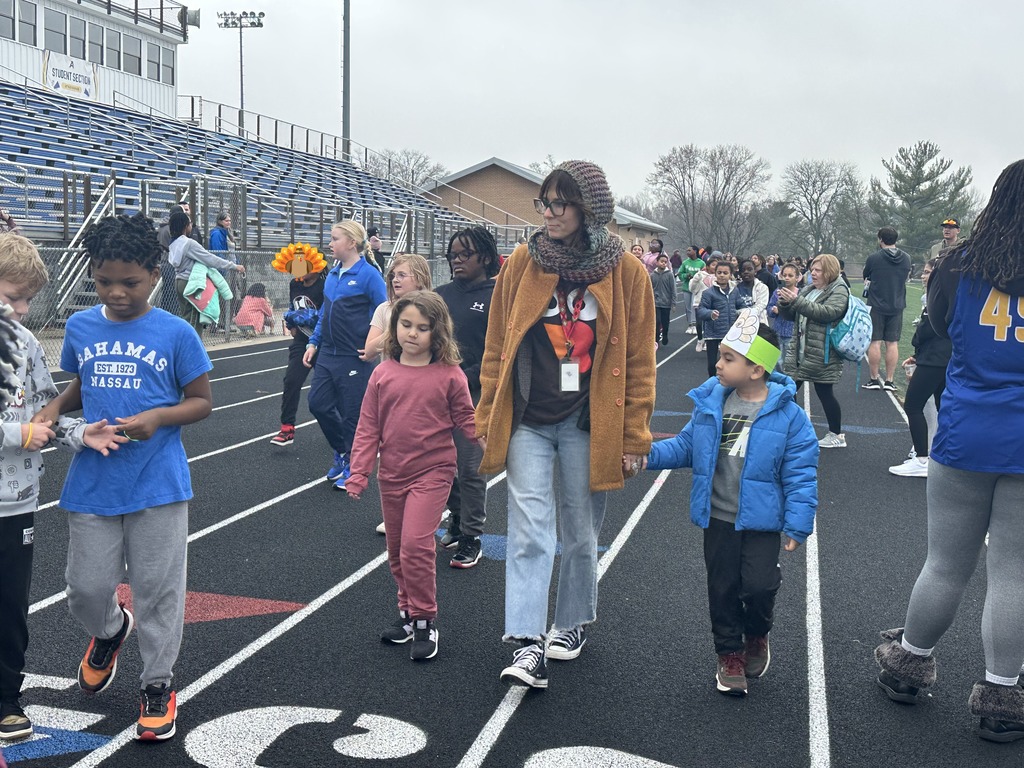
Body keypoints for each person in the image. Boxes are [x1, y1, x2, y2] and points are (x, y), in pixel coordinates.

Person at [34, 212, 215, 742]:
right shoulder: (81, 326)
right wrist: (54, 409)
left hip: (158, 484)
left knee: (159, 593)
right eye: (104, 280)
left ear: (154, 273)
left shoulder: (176, 332)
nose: (115, 292)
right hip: (93, 480)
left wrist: (158, 418)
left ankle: (157, 684)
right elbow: (80, 386)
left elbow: (202, 402)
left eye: (129, 282)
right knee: (85, 590)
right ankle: (110, 631)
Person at [476, 160, 655, 689]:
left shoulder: (626, 273)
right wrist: (487, 414)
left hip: (588, 423)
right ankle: (527, 642)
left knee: (580, 533)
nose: (550, 214)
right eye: (545, 203)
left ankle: (572, 621)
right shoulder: (521, 265)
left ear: (589, 209)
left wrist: (634, 434)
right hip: (528, 420)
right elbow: (495, 348)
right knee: (529, 530)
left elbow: (641, 361)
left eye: (561, 203)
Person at [872, 159, 1024, 743]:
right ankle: (1003, 696)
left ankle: (910, 663)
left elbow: (938, 325)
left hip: (966, 433)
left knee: (946, 563)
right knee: (1014, 573)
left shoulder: (960, 267)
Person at [644, 314, 818, 696]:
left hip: (762, 522)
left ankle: (757, 632)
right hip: (719, 519)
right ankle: (729, 655)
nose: (718, 364)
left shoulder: (791, 418)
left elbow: (801, 475)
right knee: (722, 588)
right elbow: (685, 447)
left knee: (757, 586)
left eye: (728, 358)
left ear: (757, 368)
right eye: (719, 356)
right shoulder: (712, 403)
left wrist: (798, 523)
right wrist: (645, 455)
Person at [0, 235, 123, 744]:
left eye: (29, 298)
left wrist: (79, 432)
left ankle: (7, 699)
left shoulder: (26, 344)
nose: (24, 309)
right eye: (16, 295)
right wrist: (16, 434)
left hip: (15, 502)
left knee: (9, 605)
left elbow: (45, 410)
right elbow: (21, 428)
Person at [345, 291, 476, 662]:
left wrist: (492, 444)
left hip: (434, 472)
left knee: (417, 545)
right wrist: (359, 472)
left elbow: (467, 418)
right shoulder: (383, 373)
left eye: (423, 328)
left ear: (438, 333)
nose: (413, 334)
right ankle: (406, 612)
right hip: (393, 473)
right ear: (394, 325)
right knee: (397, 552)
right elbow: (368, 426)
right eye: (406, 325)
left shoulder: (450, 375)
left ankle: (424, 620)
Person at [302, 221, 388, 491]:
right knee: (318, 403)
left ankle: (354, 463)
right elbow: (325, 313)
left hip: (355, 356)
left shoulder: (369, 275)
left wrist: (375, 345)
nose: (330, 244)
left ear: (351, 242)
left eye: (335, 238)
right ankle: (342, 451)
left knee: (352, 414)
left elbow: (385, 311)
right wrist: (314, 342)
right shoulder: (334, 273)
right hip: (328, 353)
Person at [435, 227, 500, 569]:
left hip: (475, 392)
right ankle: (457, 516)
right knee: (438, 462)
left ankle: (472, 535)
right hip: (436, 391)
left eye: (464, 255)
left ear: (485, 257)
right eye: (452, 255)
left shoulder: (497, 295)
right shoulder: (440, 295)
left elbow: (498, 350)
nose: (457, 260)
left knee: (471, 467)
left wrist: (467, 376)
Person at [776, 253, 850, 448]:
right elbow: (792, 316)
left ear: (830, 271)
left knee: (824, 392)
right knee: (789, 389)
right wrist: (785, 302)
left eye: (818, 270)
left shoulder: (839, 290)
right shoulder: (809, 289)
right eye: (812, 270)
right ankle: (789, 430)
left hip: (822, 351)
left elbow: (828, 313)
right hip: (802, 350)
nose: (813, 273)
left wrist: (796, 301)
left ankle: (837, 434)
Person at [887, 257, 950, 478]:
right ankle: (941, 454)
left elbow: (930, 330)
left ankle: (922, 458)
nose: (922, 276)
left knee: (913, 405)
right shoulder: (944, 295)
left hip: (935, 359)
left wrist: (919, 348)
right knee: (944, 408)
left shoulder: (939, 297)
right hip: (939, 357)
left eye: (926, 272)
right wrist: (917, 355)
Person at [270, 244, 328, 447]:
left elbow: (324, 315)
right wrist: (291, 321)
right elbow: (293, 306)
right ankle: (287, 428)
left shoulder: (325, 286)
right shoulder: (294, 284)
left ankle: (347, 427)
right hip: (302, 341)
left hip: (325, 343)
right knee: (291, 381)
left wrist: (308, 317)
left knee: (330, 390)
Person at [168, 211, 245, 336]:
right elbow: (210, 258)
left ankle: (184, 347)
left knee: (186, 318)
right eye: (189, 224)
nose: (191, 226)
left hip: (179, 282)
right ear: (184, 225)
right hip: (191, 283)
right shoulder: (189, 243)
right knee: (195, 320)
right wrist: (233, 266)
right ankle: (193, 349)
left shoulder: (173, 243)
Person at [862, 227, 912, 391]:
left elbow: (866, 275)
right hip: (897, 304)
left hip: (876, 303)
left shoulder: (874, 258)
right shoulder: (906, 258)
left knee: (875, 342)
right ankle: (889, 381)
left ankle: (874, 378)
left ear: (880, 239)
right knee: (892, 343)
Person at [361, 253, 433, 362]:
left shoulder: (433, 309)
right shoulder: (384, 309)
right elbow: (369, 350)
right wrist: (395, 330)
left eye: (401, 275)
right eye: (393, 276)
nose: (395, 280)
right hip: (392, 375)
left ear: (419, 279)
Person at [696, 261, 745, 378]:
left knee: (730, 361)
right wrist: (710, 313)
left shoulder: (735, 291)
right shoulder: (708, 293)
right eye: (719, 272)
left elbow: (740, 305)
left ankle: (727, 383)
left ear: (730, 275)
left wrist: (745, 311)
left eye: (725, 273)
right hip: (713, 332)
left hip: (730, 333)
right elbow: (701, 309)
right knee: (713, 363)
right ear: (715, 274)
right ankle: (712, 382)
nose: (722, 275)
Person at [766, 262, 799, 366]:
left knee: (790, 361)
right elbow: (769, 308)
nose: (787, 278)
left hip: (792, 333)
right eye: (784, 275)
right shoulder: (777, 292)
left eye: (790, 275)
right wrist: (773, 310)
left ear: (797, 278)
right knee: (777, 361)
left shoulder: (800, 294)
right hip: (778, 331)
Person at [689, 257, 718, 352]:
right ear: (708, 267)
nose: (715, 267)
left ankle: (708, 341)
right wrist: (695, 279)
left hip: (712, 304)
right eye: (713, 265)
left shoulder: (719, 276)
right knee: (699, 323)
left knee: (710, 323)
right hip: (699, 302)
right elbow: (693, 289)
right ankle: (700, 339)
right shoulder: (701, 275)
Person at [677, 245, 706, 335]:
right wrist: (686, 276)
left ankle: (695, 324)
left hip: (697, 289)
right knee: (688, 307)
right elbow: (680, 274)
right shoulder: (685, 263)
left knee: (695, 307)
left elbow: (705, 274)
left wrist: (697, 278)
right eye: (687, 250)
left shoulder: (701, 263)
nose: (687, 252)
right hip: (686, 287)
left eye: (689, 250)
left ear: (695, 251)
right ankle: (690, 325)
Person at [651, 253, 677, 346]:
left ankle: (665, 334)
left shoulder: (669, 275)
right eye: (662, 262)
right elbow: (650, 289)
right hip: (656, 302)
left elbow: (673, 289)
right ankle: (656, 339)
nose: (663, 264)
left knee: (665, 321)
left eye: (665, 262)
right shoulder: (652, 275)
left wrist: (674, 303)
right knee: (657, 321)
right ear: (657, 262)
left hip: (666, 302)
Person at [735, 258, 769, 323]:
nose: (746, 272)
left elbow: (759, 308)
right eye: (743, 270)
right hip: (738, 324)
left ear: (755, 271)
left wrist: (738, 312)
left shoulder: (762, 288)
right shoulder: (734, 288)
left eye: (749, 269)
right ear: (739, 273)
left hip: (758, 324)